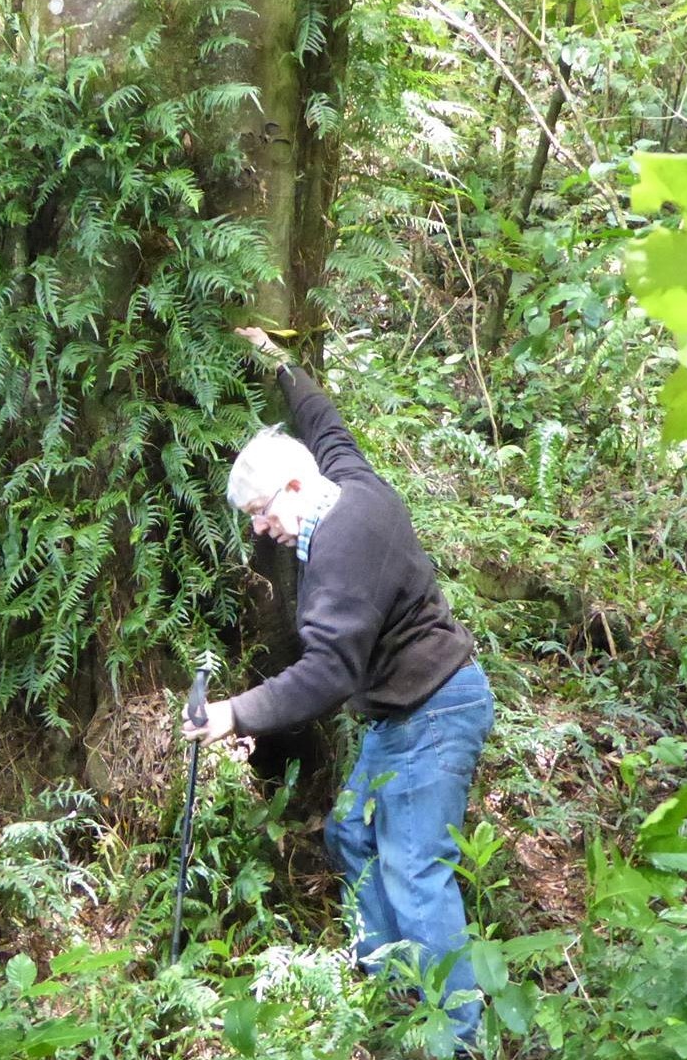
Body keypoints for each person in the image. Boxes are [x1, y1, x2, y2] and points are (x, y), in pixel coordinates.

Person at [186, 327, 494, 1046]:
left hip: (435, 710)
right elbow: (326, 426)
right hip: (402, 716)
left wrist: (235, 711)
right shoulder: (349, 481)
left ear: (296, 487)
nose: (263, 529)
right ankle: (396, 985)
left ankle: (456, 1036)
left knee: (415, 867)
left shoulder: (341, 548)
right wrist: (278, 364)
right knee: (350, 833)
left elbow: (329, 671)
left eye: (264, 511)